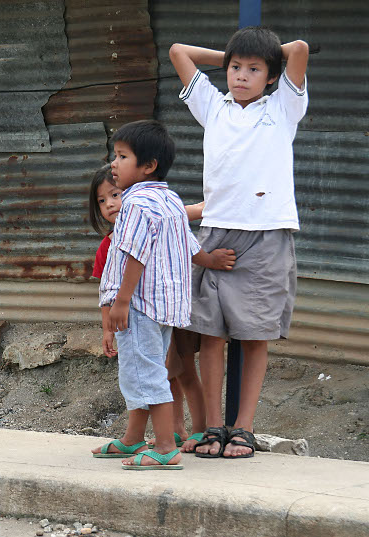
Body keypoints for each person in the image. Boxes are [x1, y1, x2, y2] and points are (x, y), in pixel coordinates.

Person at [169, 27, 309, 458]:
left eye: (253, 68)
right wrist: (232, 53)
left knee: (254, 335)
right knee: (210, 333)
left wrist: (266, 53)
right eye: (235, 67)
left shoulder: (283, 106)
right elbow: (179, 49)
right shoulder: (213, 107)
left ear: (272, 76)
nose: (241, 75)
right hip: (216, 233)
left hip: (267, 236)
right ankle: (213, 427)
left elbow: (299, 49)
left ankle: (243, 429)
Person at [92, 119, 232, 470]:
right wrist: (210, 260)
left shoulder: (136, 204)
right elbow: (187, 245)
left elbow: (136, 253)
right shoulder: (169, 200)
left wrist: (121, 301)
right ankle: (133, 438)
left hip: (138, 303)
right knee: (144, 369)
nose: (114, 162)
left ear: (148, 166)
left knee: (145, 373)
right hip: (165, 306)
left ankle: (166, 445)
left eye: (122, 156)